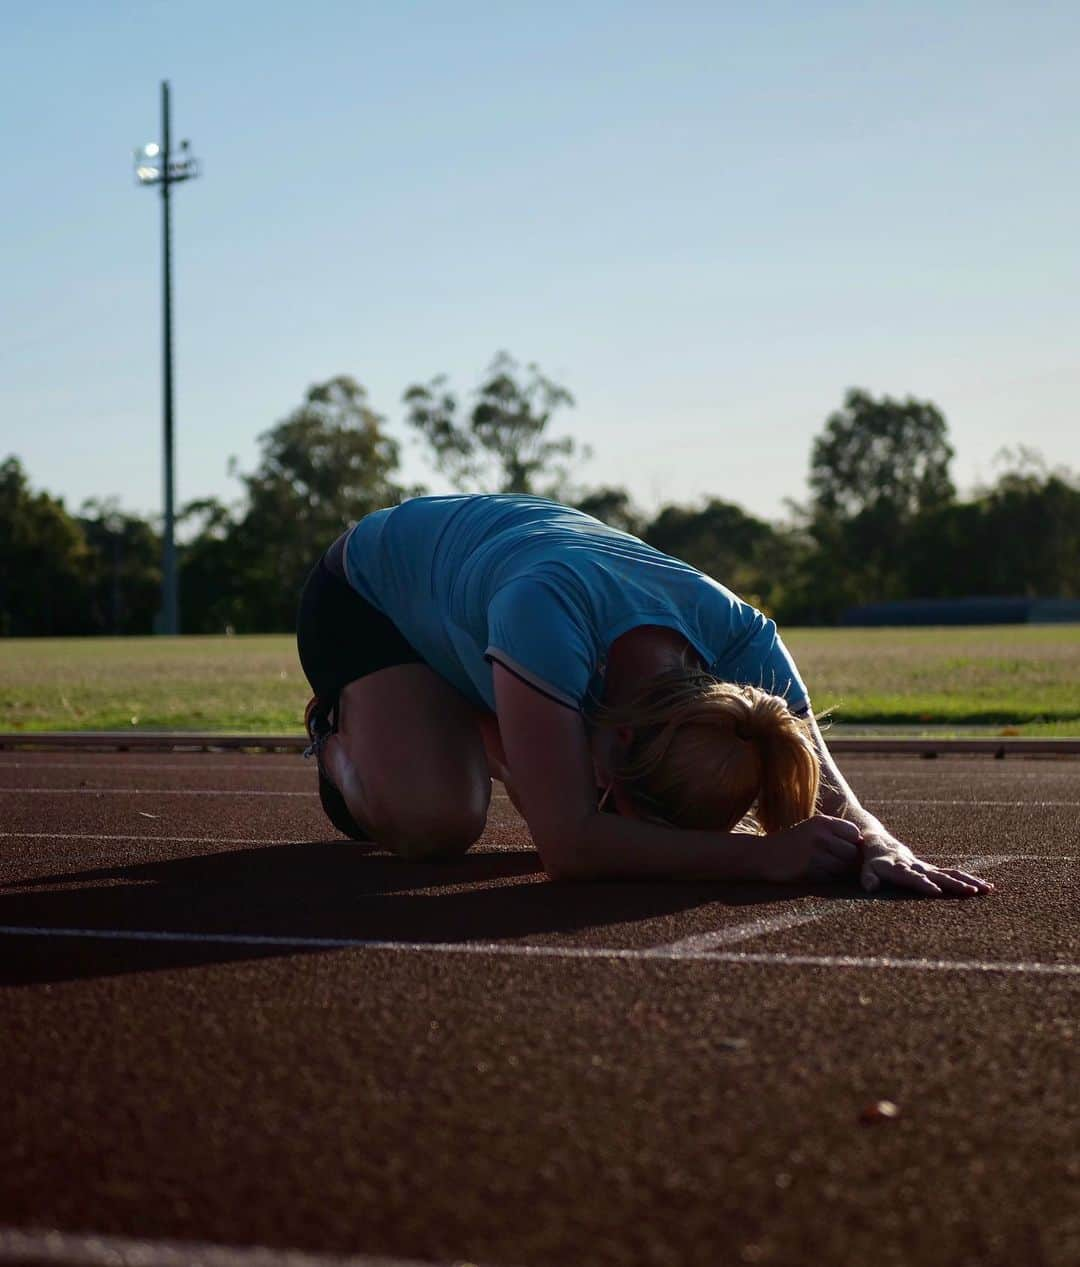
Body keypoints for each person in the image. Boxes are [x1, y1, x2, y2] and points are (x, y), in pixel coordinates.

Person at [296, 494, 992, 898]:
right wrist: (756, 857)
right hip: (367, 599)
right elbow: (569, 847)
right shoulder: (545, 615)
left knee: (575, 801)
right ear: (622, 740)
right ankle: (337, 737)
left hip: (492, 609)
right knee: (438, 824)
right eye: (620, 796)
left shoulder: (746, 646)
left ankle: (470, 715)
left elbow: (840, 797)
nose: (613, 806)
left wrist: (877, 840)